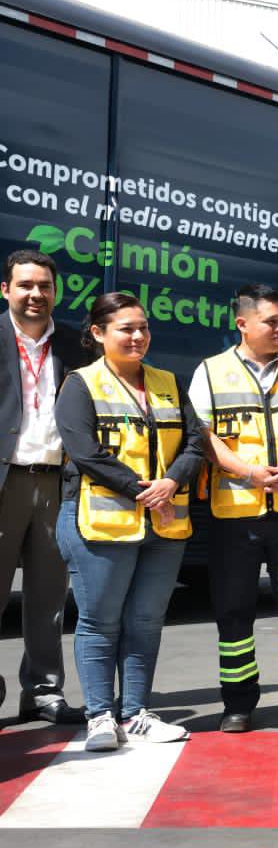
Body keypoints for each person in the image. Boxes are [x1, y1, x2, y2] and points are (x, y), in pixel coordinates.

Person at [55, 293, 204, 750]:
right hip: (101, 525)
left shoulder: (169, 382)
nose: (138, 336)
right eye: (126, 328)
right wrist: (146, 491)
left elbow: (196, 443)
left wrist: (171, 482)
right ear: (98, 333)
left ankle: (136, 712)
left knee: (146, 621)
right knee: (100, 622)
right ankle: (100, 716)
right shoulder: (80, 384)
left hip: (164, 526)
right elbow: (85, 453)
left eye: (143, 327)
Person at [188, 284, 278, 732]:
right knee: (233, 609)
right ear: (243, 324)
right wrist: (249, 472)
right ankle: (238, 703)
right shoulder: (211, 372)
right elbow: (204, 436)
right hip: (236, 513)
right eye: (271, 321)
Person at [0, 250, 86, 725]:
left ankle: (43, 691)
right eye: (25, 285)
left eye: (45, 286)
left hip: (57, 482)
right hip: (5, 480)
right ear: (5, 290)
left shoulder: (76, 345)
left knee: (49, 596)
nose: (36, 294)